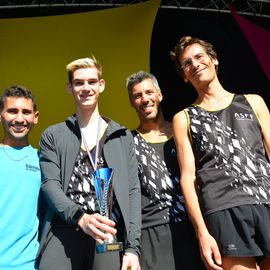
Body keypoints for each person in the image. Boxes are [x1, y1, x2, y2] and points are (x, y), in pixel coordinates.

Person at [170, 36, 270, 270]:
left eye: (199, 57)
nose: (194, 64)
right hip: (223, 211)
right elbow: (188, 178)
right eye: (186, 63)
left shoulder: (253, 102)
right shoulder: (183, 118)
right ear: (184, 76)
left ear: (213, 60)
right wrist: (202, 233)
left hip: (266, 201)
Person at [37, 56, 141, 270]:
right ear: (69, 87)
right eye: (79, 82)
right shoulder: (53, 135)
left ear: (101, 85)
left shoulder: (121, 136)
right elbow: (50, 185)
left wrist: (132, 248)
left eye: (92, 81)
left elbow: (132, 191)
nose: (86, 88)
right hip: (66, 227)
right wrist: (80, 218)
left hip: (107, 231)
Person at [126, 71, 205, 270]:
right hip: (152, 234)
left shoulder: (184, 131)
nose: (145, 99)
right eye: (138, 95)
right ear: (131, 102)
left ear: (159, 95)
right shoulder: (128, 141)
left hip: (193, 228)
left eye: (149, 92)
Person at [0, 85, 40, 269]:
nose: (19, 118)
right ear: (1, 115)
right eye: (12, 111)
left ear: (35, 117)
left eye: (26, 112)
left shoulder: (44, 160)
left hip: (29, 265)